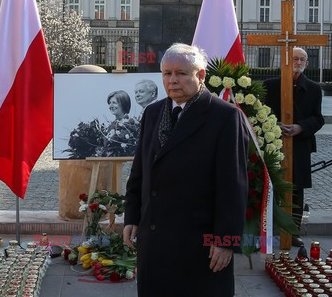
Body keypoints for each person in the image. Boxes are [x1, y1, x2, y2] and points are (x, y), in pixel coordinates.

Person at [123, 43, 249, 297]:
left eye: (181, 73)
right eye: (167, 74)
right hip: (155, 239)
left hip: (198, 244)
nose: (173, 81)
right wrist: (132, 218)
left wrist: (226, 241)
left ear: (200, 75)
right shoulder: (153, 112)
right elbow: (140, 171)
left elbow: (232, 185)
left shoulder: (224, 116)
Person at [264, 47, 324, 247]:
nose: (298, 62)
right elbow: (259, 112)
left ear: (307, 63)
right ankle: (267, 230)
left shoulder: (314, 89)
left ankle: (293, 232)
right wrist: (274, 126)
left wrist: (300, 127)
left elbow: (318, 118)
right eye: (295, 58)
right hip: (274, 145)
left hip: (299, 146)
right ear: (286, 61)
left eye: (302, 59)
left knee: (296, 189)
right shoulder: (270, 85)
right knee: (270, 186)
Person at [104, 90, 140, 157]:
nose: (111, 106)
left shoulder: (133, 124)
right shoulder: (111, 126)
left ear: (123, 104)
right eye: (109, 103)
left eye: (114, 103)